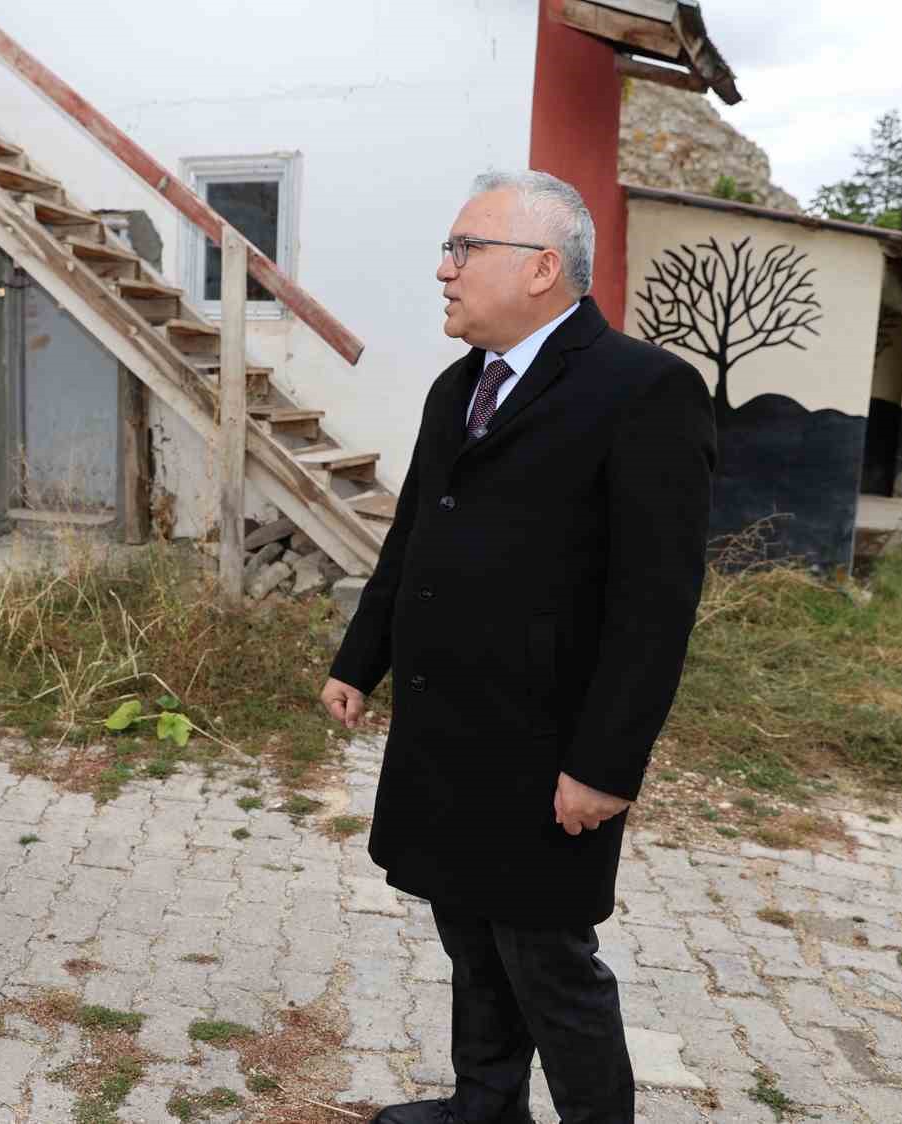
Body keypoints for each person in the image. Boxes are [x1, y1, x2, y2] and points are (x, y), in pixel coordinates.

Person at [320, 171, 715, 1124]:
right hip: (448, 726)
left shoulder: (644, 390)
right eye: (448, 251)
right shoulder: (460, 386)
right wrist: (358, 659)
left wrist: (606, 764)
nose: (444, 270)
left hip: (549, 748)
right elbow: (414, 535)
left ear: (543, 268)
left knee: (547, 957)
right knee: (467, 928)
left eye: (465, 249)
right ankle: (485, 1105)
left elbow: (656, 603)